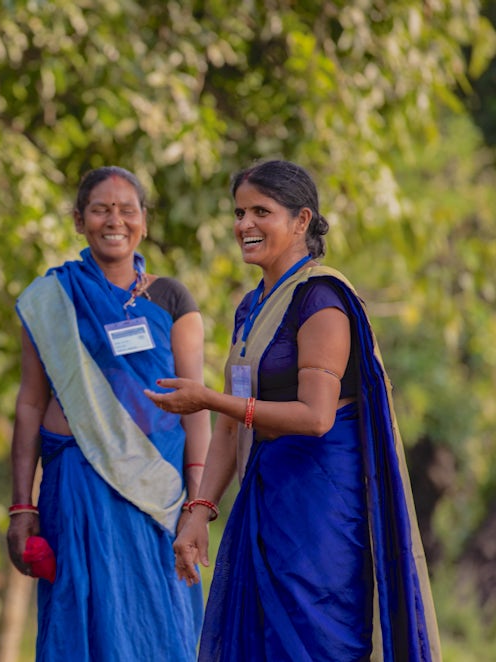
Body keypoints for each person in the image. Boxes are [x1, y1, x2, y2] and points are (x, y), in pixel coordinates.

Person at [145, 159, 442, 660]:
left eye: (261, 211)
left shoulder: (321, 299)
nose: (244, 225)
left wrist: (209, 398)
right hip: (264, 498)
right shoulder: (251, 306)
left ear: (302, 220)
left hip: (319, 510)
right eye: (239, 213)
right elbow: (228, 424)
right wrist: (200, 510)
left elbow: (316, 416)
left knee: (315, 641)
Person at [7, 166, 209, 662]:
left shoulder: (172, 297)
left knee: (161, 623)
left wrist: (196, 505)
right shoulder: (53, 298)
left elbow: (197, 410)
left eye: (126, 209)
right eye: (100, 209)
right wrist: (21, 506)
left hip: (156, 491)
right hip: (76, 486)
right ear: (79, 220)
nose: (113, 219)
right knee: (81, 619)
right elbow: (31, 401)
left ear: (143, 221)